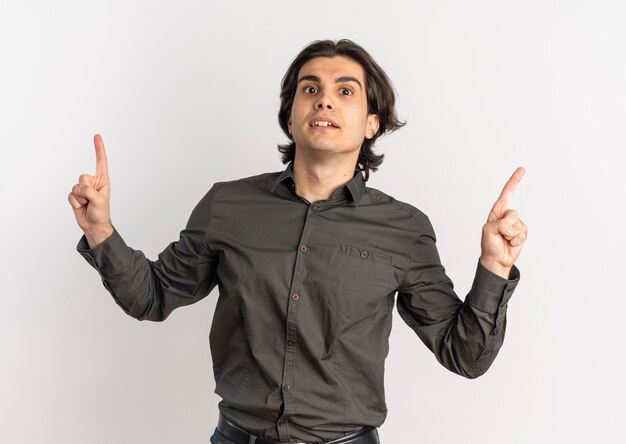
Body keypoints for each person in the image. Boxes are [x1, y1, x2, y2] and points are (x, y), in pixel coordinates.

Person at [68, 39, 527, 444]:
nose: (324, 101)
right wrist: (100, 229)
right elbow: (151, 296)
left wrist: (494, 266)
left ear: (372, 122)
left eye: (344, 91)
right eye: (310, 89)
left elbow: (464, 354)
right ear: (290, 116)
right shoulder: (227, 205)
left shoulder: (404, 228)